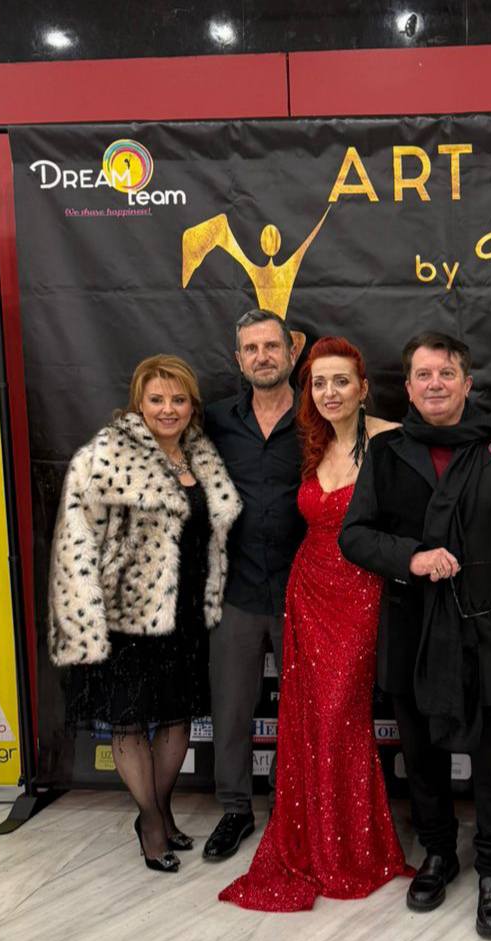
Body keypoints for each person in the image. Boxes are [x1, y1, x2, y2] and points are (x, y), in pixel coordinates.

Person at [339, 331, 491, 940]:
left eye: (446, 374)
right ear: (407, 388)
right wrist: (413, 557)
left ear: (467, 382)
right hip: (412, 627)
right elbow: (355, 535)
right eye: (423, 375)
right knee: (422, 754)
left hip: (490, 624)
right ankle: (437, 852)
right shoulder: (386, 452)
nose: (435, 384)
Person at [219, 336, 409, 910]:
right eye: (319, 383)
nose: (329, 392)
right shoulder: (311, 441)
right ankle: (318, 839)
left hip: (361, 593)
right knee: (309, 719)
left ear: (363, 387)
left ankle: (349, 845)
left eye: (340, 381)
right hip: (307, 590)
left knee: (338, 715)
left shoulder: (391, 440)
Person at [49, 355, 241, 872]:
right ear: (139, 403)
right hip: (125, 618)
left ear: (192, 405)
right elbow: (75, 539)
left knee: (178, 719)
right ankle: (152, 823)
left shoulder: (202, 456)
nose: (167, 409)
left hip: (187, 615)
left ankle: (162, 809)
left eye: (178, 399)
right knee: (129, 722)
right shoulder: (107, 456)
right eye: (156, 399)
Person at [202, 308, 305, 861]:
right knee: (232, 707)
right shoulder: (216, 420)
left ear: (292, 351)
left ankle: (294, 808)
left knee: (303, 711)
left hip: (302, 589)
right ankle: (236, 809)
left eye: (271, 346)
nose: (262, 357)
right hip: (235, 587)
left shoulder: (318, 414)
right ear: (238, 359)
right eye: (251, 348)